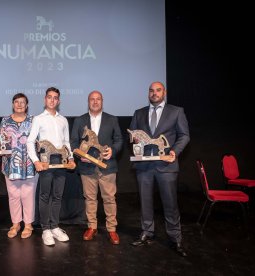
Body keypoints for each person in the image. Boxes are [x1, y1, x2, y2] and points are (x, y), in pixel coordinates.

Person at [129, 81, 190, 257]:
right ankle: (147, 232)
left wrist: (174, 152)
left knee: (170, 205)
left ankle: (175, 238)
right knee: (145, 202)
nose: (154, 93)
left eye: (158, 90)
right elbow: (132, 136)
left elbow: (184, 135)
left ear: (164, 92)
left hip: (166, 165)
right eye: (151, 91)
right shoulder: (138, 113)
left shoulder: (176, 111)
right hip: (144, 166)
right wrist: (135, 141)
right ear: (148, 93)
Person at [70, 90, 123, 245]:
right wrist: (81, 155)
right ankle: (92, 227)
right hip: (87, 168)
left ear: (102, 101)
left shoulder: (112, 119)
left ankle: (112, 229)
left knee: (109, 198)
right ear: (88, 102)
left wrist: (113, 150)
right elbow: (73, 142)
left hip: (108, 166)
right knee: (90, 198)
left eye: (98, 99)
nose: (95, 102)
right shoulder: (80, 120)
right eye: (92, 99)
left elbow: (119, 140)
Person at [27, 87, 76, 246]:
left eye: (55, 98)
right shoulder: (38, 119)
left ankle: (55, 226)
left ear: (59, 101)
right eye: (49, 97)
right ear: (45, 100)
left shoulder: (63, 120)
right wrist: (36, 161)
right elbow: (30, 142)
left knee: (57, 196)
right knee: (44, 196)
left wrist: (71, 158)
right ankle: (45, 229)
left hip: (61, 164)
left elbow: (67, 142)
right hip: (46, 164)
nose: (52, 100)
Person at [0, 93, 38, 239]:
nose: (19, 104)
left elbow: (39, 141)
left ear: (27, 105)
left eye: (22, 102)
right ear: (13, 104)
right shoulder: (5, 121)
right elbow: (0, 142)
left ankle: (28, 224)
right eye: (16, 102)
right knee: (13, 195)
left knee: (28, 195)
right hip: (10, 164)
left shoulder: (34, 120)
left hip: (29, 163)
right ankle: (15, 223)